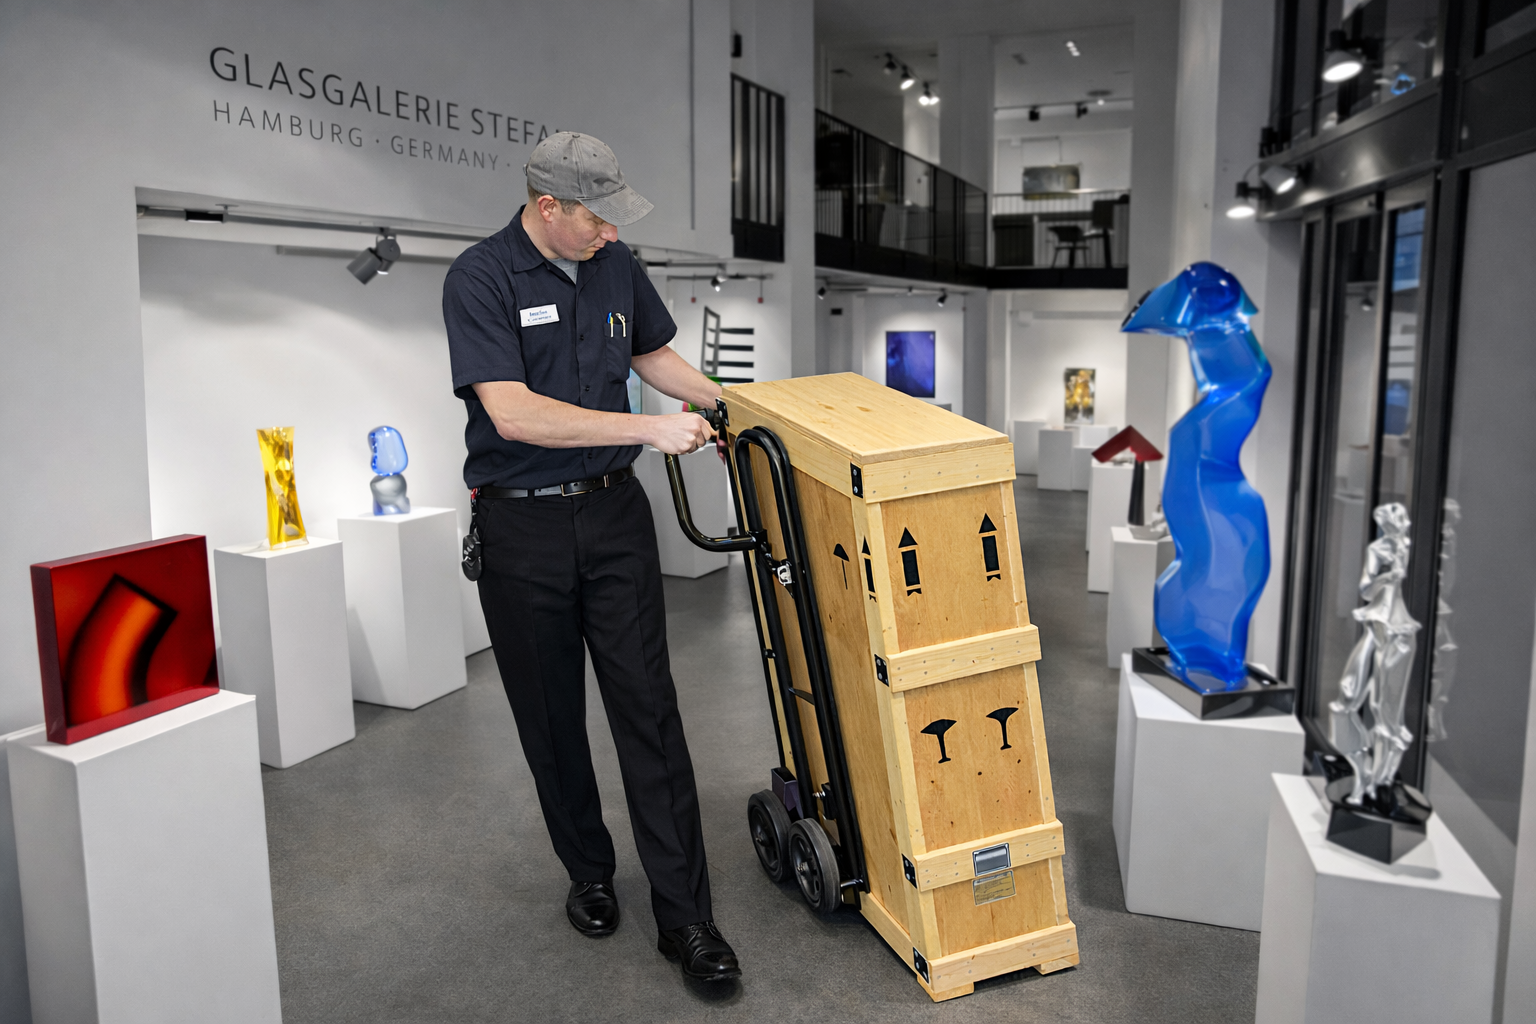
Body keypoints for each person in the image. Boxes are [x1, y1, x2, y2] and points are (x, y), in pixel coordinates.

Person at [442, 132, 738, 982]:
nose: (607, 235)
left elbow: (651, 355)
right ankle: (589, 872)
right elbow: (514, 413)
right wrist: (649, 427)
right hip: (519, 531)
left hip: (613, 520)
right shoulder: (481, 278)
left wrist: (738, 403)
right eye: (594, 221)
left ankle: (688, 922)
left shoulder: (616, 263)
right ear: (547, 208)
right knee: (552, 721)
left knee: (649, 713)